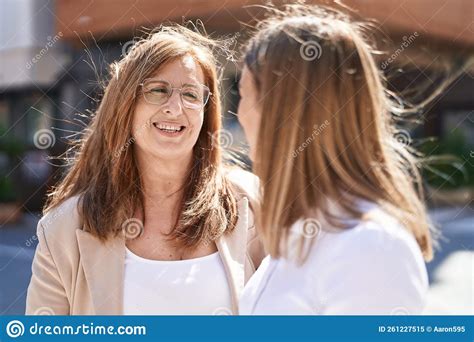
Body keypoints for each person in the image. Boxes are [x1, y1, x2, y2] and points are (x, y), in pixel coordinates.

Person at [26, 25, 263, 315]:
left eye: (191, 94)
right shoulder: (64, 227)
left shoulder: (251, 202)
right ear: (126, 105)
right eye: (157, 90)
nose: (175, 108)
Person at [237, 5, 433, 315]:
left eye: (243, 95)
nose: (238, 112)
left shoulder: (369, 247)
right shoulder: (301, 232)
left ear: (281, 113)